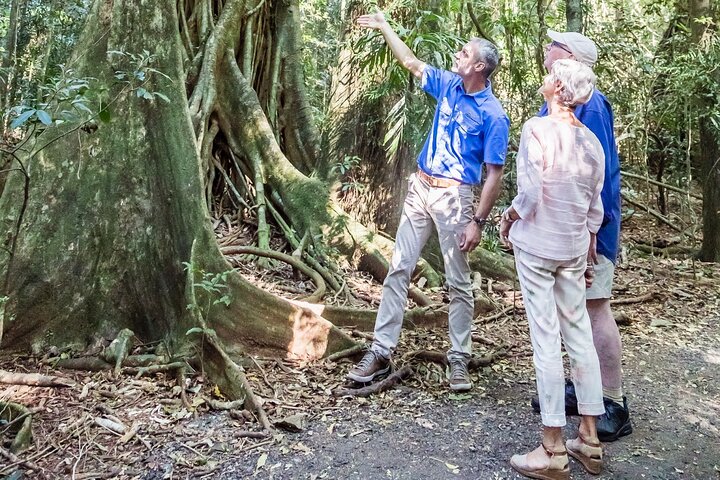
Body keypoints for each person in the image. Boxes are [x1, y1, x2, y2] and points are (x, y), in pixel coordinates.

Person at [346, 12, 510, 391]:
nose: (458, 53)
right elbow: (410, 62)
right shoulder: (449, 85)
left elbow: (495, 174)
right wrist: (386, 26)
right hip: (420, 188)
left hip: (456, 197)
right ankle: (381, 352)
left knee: (457, 281)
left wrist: (477, 222)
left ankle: (458, 359)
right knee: (399, 268)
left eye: (465, 52)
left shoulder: (493, 115)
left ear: (480, 67)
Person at [500, 58, 606, 479]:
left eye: (550, 74)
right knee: (579, 335)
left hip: (540, 247)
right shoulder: (592, 143)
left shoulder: (537, 129)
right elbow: (594, 208)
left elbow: (528, 192)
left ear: (558, 86)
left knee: (545, 339)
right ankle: (590, 440)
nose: (544, 77)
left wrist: (508, 219)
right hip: (574, 248)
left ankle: (552, 447)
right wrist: (589, 246)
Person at [531, 30, 631, 443]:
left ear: (567, 56)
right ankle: (583, 391)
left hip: (589, 231)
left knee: (595, 310)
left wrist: (594, 231)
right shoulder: (558, 99)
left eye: (554, 44)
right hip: (565, 231)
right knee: (573, 313)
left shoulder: (590, 103)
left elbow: (599, 172)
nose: (547, 48)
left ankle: (613, 402)